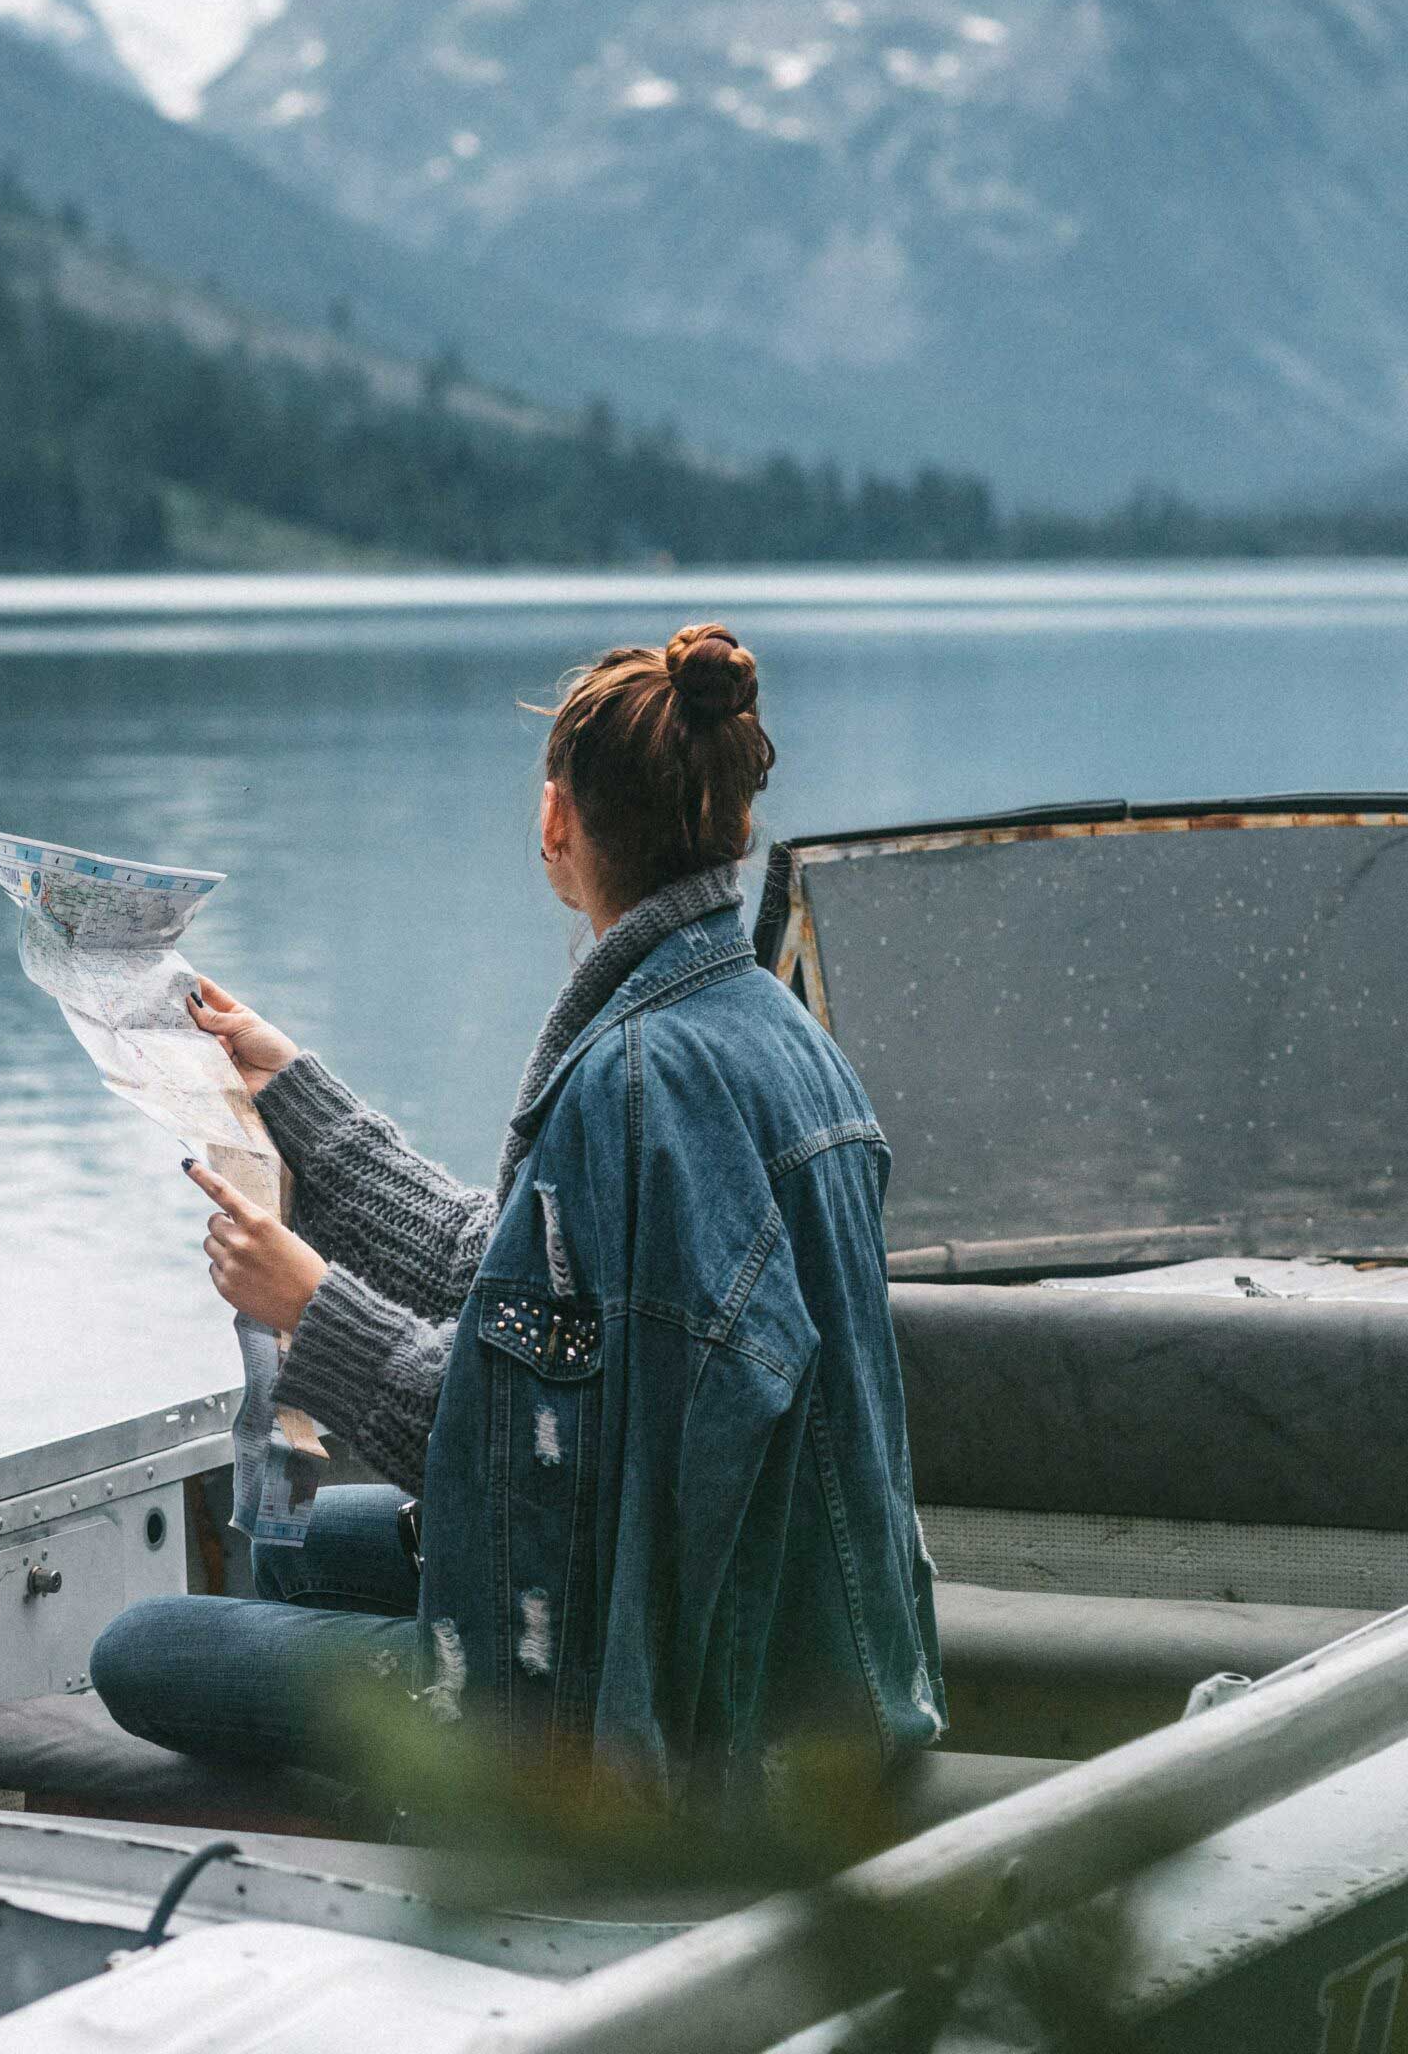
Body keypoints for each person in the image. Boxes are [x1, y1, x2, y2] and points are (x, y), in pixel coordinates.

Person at [89, 623, 943, 1833]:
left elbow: (539, 1457)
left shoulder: (634, 1080)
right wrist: (294, 1095)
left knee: (141, 1645)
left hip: (682, 1705)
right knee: (294, 1549)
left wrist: (309, 1311)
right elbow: (540, 1303)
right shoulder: (766, 1030)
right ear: (728, 820)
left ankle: (463, 1801)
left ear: (557, 822)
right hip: (809, 1645)